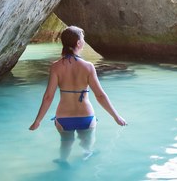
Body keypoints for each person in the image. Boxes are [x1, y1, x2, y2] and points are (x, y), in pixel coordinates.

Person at [29, 26, 126, 162]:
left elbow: (48, 97)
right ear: (78, 43)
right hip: (86, 117)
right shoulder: (88, 67)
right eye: (83, 39)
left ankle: (63, 162)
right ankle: (87, 157)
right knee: (87, 150)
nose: (84, 42)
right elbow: (100, 96)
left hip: (64, 118)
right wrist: (116, 117)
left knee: (65, 146)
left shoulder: (56, 67)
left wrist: (37, 121)